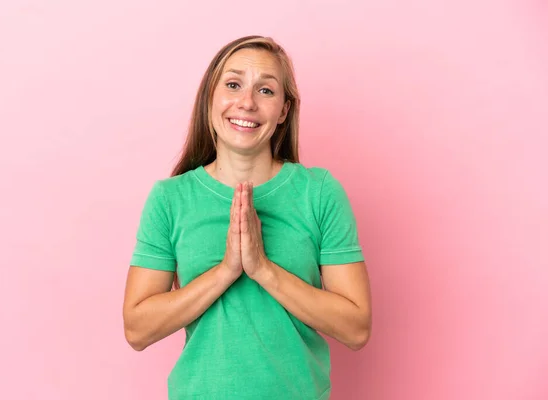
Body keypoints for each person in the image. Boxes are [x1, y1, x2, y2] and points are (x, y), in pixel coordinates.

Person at [122, 35, 372, 400]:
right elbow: (137, 329)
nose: (247, 103)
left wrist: (262, 269)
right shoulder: (170, 199)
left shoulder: (318, 192)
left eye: (266, 91)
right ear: (211, 97)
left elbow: (356, 328)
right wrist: (227, 270)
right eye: (234, 84)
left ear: (284, 111)